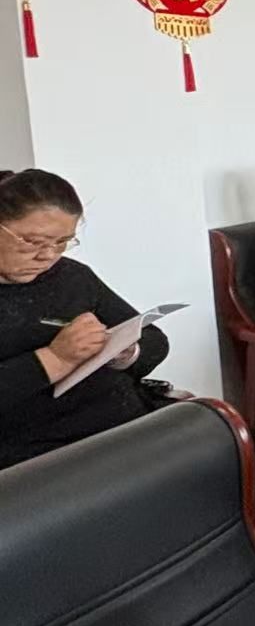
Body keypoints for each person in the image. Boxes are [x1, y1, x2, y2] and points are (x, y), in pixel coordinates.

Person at [0, 170, 170, 469]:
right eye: (33, 242)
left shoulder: (72, 276)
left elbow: (154, 340)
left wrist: (123, 352)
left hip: (123, 426)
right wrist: (56, 359)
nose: (47, 255)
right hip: (36, 455)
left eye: (62, 242)